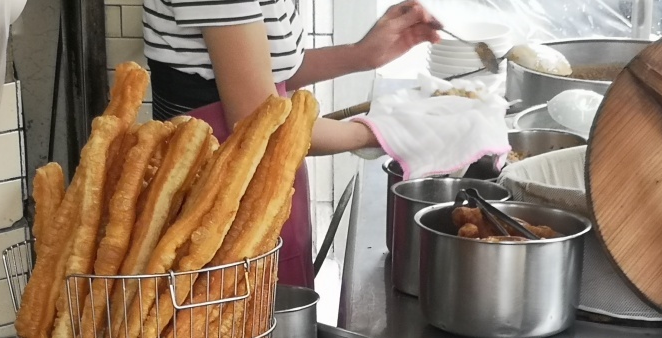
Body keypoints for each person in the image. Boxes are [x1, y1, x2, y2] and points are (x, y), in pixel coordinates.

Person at [142, 0, 441, 287]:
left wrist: (362, 55)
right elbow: (261, 126)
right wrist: (383, 133)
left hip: (264, 182)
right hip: (216, 195)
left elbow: (268, 71)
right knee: (234, 324)